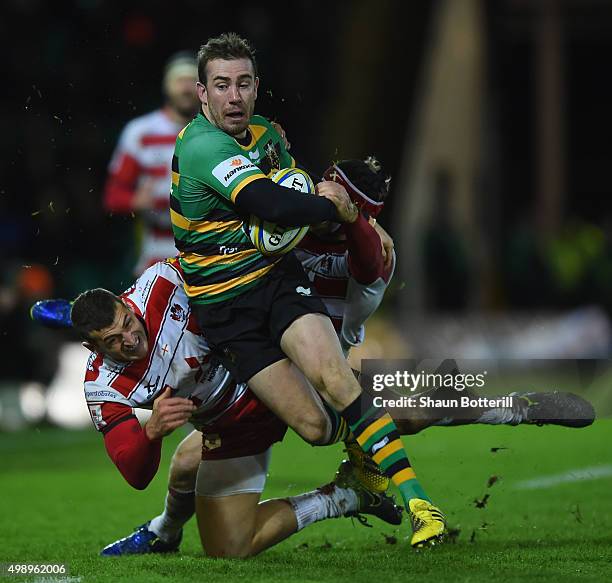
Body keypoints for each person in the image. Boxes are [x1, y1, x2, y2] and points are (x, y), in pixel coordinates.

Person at [170, 31, 446, 548]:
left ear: (256, 88)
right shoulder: (203, 145)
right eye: (222, 85)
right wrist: (341, 210)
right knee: (316, 428)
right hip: (226, 312)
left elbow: (291, 190)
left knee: (338, 381)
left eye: (244, 84)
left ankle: (421, 508)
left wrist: (356, 222)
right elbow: (276, 206)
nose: (234, 96)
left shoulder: (266, 136)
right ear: (202, 94)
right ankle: (366, 463)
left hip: (276, 282)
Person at [104, 52, 199, 274]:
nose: (185, 88)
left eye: (191, 81)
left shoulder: (215, 132)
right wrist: (134, 200)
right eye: (179, 80)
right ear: (167, 86)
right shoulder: (140, 132)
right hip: (156, 249)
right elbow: (112, 196)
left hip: (205, 247)